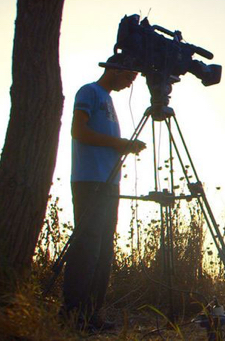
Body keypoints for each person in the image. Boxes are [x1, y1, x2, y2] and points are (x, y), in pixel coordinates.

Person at [62, 54, 146, 331]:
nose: (129, 83)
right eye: (128, 77)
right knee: (88, 246)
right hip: (90, 180)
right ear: (114, 69)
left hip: (108, 183)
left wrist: (122, 146)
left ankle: (92, 313)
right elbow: (78, 131)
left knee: (104, 249)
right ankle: (73, 312)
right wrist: (120, 144)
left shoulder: (108, 100)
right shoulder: (90, 92)